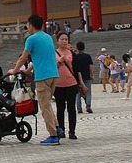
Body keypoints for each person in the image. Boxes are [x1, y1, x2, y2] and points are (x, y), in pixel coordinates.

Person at [11, 14, 61, 145]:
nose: (27, 27)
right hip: (54, 74)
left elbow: (24, 58)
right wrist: (27, 71)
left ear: (31, 25)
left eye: (28, 24)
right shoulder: (48, 37)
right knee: (47, 103)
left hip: (42, 76)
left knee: (44, 107)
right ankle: (57, 127)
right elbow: (40, 58)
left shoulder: (31, 39)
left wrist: (14, 70)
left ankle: (53, 135)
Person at [54, 33, 80, 140]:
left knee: (71, 108)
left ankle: (72, 131)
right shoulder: (53, 54)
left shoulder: (72, 54)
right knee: (60, 108)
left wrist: (81, 84)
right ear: (57, 41)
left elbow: (77, 70)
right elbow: (51, 67)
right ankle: (61, 130)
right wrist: (59, 62)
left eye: (66, 39)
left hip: (71, 84)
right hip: (58, 85)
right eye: (62, 39)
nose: (64, 41)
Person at [72, 41, 94, 113]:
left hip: (78, 77)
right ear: (84, 48)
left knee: (78, 93)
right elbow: (90, 66)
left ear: (77, 48)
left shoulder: (75, 57)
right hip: (87, 76)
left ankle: (79, 108)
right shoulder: (87, 56)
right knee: (88, 92)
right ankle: (88, 106)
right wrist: (92, 75)